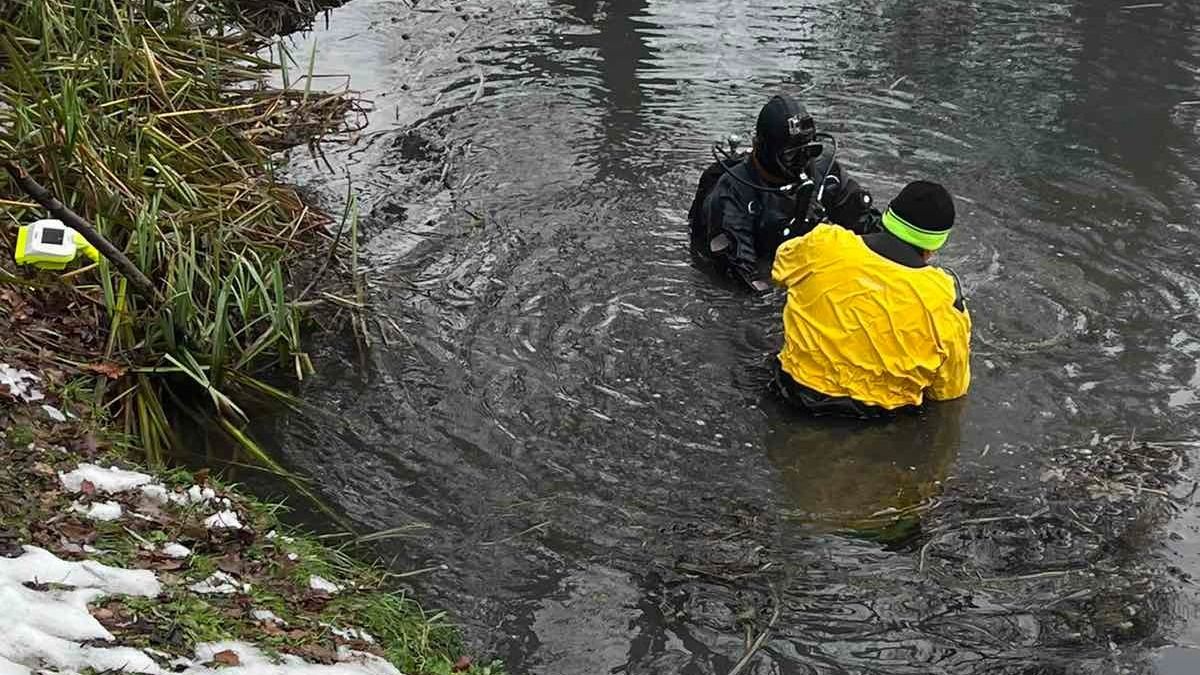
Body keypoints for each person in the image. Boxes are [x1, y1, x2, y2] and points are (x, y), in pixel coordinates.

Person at [770, 180, 971, 417]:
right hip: (878, 420)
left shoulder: (825, 242)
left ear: (888, 216)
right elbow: (949, 391)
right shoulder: (946, 300)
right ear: (935, 246)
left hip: (793, 393)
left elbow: (780, 268)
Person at [688, 93, 879, 292]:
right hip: (761, 263)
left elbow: (868, 226)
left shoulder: (824, 171)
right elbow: (739, 276)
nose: (802, 162)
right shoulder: (734, 190)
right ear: (762, 150)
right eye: (791, 155)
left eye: (809, 151)